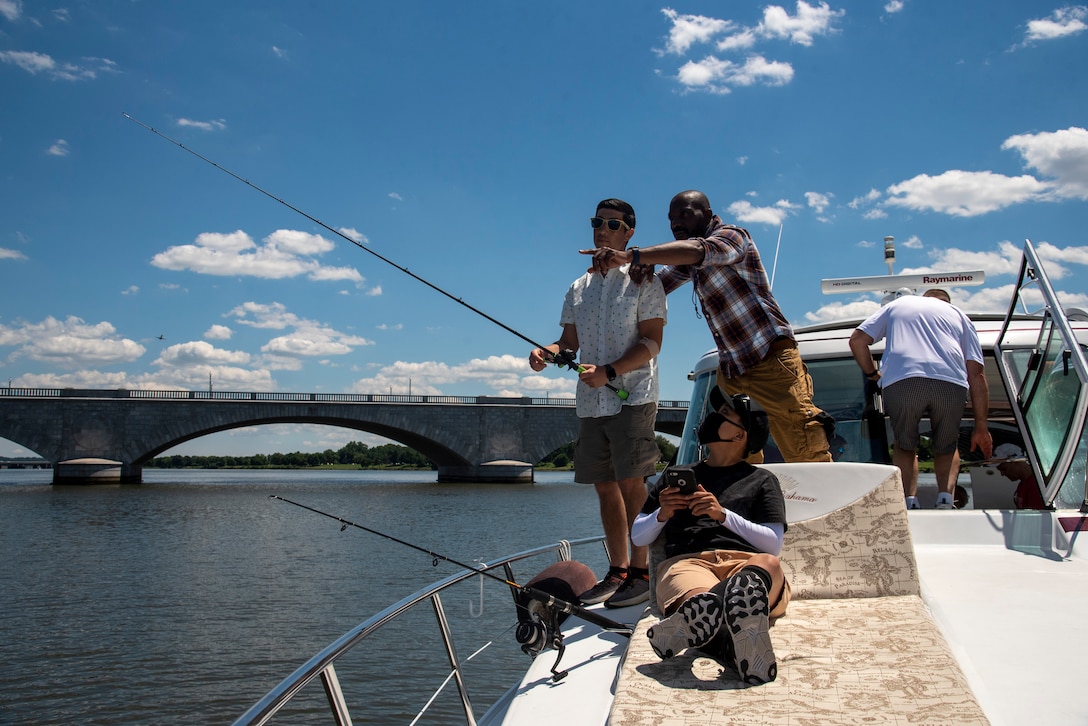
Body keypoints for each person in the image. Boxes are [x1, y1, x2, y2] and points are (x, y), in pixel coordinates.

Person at [582, 189, 831, 463]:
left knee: (805, 451)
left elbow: (699, 251)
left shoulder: (733, 237)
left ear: (708, 215)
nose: (676, 223)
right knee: (734, 454)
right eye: (671, 218)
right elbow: (656, 289)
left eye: (685, 215)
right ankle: (749, 500)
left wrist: (634, 257)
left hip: (770, 360)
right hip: (733, 370)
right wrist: (625, 277)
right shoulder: (688, 260)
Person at [529, 198, 667, 608]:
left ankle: (642, 572)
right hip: (591, 403)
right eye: (597, 222)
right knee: (605, 487)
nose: (602, 229)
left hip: (632, 397)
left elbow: (652, 342)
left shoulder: (645, 281)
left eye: (612, 224)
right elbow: (569, 344)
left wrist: (610, 372)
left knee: (632, 484)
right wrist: (547, 352)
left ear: (629, 232)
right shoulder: (577, 288)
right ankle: (618, 570)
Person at [631, 388, 790, 684]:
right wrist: (662, 513)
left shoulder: (763, 480)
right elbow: (639, 537)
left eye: (725, 415)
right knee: (699, 596)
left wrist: (722, 515)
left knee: (768, 564)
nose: (713, 417)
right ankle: (728, 633)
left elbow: (773, 544)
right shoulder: (675, 476)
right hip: (689, 563)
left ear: (740, 436)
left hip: (746, 564)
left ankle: (699, 624)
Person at [849, 288, 993, 510]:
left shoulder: (899, 305)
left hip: (903, 381)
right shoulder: (959, 315)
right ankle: (945, 499)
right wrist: (981, 426)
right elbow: (976, 373)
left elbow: (857, 340)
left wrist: (871, 374)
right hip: (950, 381)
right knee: (946, 446)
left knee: (905, 445)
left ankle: (909, 502)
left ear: (922, 299)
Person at [990, 443, 1045, 509]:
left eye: (1004, 469)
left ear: (1016, 461)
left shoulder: (1036, 486)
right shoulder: (1023, 484)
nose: (1002, 474)